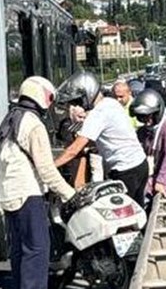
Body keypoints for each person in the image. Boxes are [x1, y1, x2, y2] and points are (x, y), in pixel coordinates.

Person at [0, 76, 76, 289]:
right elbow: (46, 168)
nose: (50, 104)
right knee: (38, 245)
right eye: (50, 98)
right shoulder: (33, 124)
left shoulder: (10, 118)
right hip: (28, 191)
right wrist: (69, 193)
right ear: (41, 95)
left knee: (19, 246)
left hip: (9, 193)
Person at [54, 71, 149, 205]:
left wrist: (50, 167)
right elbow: (111, 136)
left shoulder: (97, 114)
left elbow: (73, 150)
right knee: (138, 210)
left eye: (79, 100)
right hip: (140, 164)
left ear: (88, 93)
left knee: (123, 216)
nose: (78, 105)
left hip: (126, 170)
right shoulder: (110, 103)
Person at [131, 89, 166, 201]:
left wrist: (160, 181)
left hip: (165, 179)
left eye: (149, 116)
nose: (146, 120)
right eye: (142, 117)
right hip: (149, 175)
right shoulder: (142, 132)